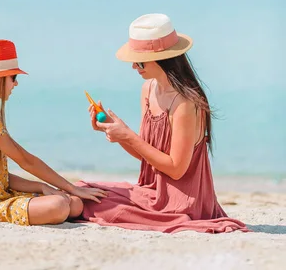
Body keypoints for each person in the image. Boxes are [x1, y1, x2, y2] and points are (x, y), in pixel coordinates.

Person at [78, 13, 248, 233]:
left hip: (180, 203)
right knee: (83, 188)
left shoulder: (185, 103)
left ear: (163, 58)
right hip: (152, 191)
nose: (133, 67)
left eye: (139, 61)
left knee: (88, 202)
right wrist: (115, 132)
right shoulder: (148, 89)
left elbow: (176, 170)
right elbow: (146, 156)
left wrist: (127, 135)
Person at [0, 39, 106, 226]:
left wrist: (42, 187)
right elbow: (26, 160)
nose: (15, 85)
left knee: (74, 204)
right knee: (60, 205)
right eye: (13, 78)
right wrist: (70, 187)